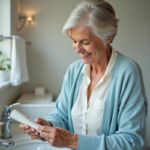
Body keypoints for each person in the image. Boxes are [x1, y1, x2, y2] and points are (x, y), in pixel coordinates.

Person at [19, 0, 147, 150]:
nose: (77, 49)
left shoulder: (128, 72)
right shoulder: (74, 71)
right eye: (74, 41)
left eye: (85, 42)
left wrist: (72, 141)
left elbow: (132, 141)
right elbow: (62, 115)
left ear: (108, 37)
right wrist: (49, 125)